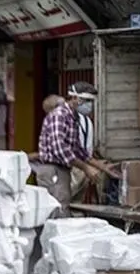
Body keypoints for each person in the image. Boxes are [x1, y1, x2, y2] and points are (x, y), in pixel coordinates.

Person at [32, 82, 105, 217]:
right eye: (87, 101)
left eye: (91, 102)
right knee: (57, 211)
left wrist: (101, 166)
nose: (90, 106)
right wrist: (86, 168)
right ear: (74, 98)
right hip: (53, 170)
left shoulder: (73, 118)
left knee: (64, 207)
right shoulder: (59, 115)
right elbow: (60, 148)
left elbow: (77, 148)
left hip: (63, 170)